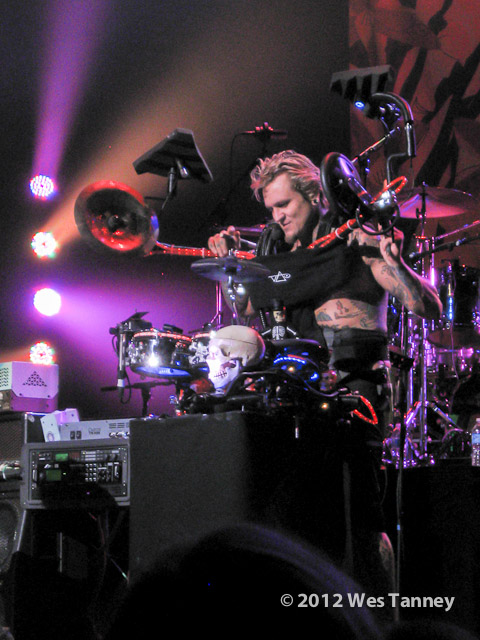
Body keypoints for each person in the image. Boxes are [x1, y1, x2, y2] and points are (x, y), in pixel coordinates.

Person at [207, 150, 443, 601]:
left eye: (284, 205)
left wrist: (396, 264)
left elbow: (425, 306)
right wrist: (230, 268)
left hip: (356, 390)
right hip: (296, 395)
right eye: (271, 209)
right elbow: (247, 308)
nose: (276, 217)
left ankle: (378, 618)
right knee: (299, 520)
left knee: (363, 522)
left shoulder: (357, 239)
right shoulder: (277, 252)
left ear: (315, 195)